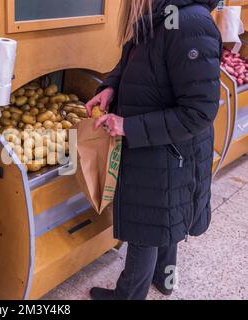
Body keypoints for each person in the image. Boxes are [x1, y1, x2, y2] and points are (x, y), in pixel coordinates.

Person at [86, 0, 222, 300]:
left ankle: (127, 296)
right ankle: (164, 278)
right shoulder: (161, 16)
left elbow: (199, 112)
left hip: (168, 151)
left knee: (145, 229)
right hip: (161, 148)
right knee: (166, 214)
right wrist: (110, 87)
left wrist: (128, 127)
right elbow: (134, 63)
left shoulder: (189, 24)